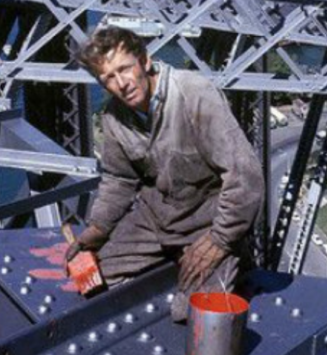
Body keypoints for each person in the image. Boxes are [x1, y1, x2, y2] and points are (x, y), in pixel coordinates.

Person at [65, 26, 264, 321]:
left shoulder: (194, 93)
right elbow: (119, 179)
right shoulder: (113, 117)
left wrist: (221, 239)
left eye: (124, 69)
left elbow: (243, 175)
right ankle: (178, 255)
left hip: (207, 220)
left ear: (144, 61)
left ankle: (236, 259)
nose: (121, 84)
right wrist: (97, 229)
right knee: (98, 278)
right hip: (157, 218)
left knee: (189, 313)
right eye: (108, 77)